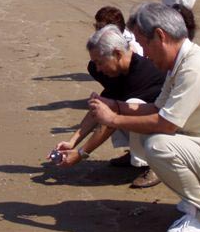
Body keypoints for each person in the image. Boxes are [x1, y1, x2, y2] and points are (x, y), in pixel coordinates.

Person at [88, 2, 200, 232]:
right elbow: (156, 108)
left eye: (144, 44)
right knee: (150, 135)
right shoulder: (181, 64)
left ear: (160, 36)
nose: (144, 53)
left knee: (158, 144)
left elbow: (166, 124)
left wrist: (114, 118)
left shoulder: (195, 67)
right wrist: (116, 105)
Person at [52, 24, 166, 188]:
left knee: (129, 106)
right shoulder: (120, 70)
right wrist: (72, 142)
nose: (97, 69)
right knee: (112, 106)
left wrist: (81, 153)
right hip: (152, 125)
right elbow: (101, 106)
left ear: (117, 54)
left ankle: (157, 164)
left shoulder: (142, 73)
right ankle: (136, 154)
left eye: (100, 62)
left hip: (173, 131)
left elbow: (110, 121)